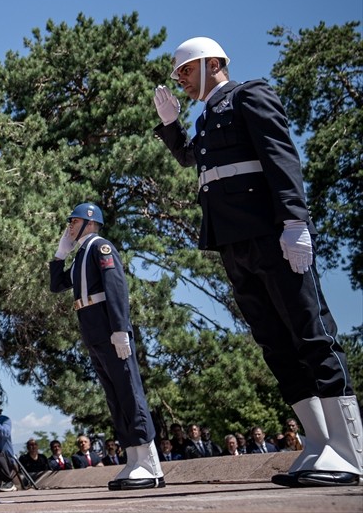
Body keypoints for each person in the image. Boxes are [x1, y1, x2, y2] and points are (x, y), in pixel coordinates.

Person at [153, 36, 361, 487]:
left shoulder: (249, 95)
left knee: (311, 333)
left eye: (185, 71)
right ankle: (319, 444)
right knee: (275, 344)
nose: (180, 81)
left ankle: (350, 450)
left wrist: (295, 221)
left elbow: (280, 156)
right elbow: (193, 158)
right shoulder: (206, 118)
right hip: (233, 242)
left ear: (212, 64)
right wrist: (172, 127)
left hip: (272, 233)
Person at [49, 202, 164, 490]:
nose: (69, 227)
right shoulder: (80, 256)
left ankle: (150, 463)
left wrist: (120, 329)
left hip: (109, 328)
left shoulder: (101, 247)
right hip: (93, 330)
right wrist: (60, 254)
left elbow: (116, 289)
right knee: (115, 395)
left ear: (90, 222)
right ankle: (133, 458)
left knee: (129, 390)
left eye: (74, 222)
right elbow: (56, 285)